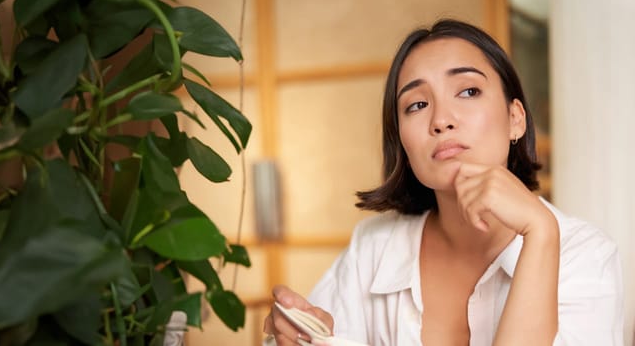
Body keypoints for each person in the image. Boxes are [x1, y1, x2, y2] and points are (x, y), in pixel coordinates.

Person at [263, 19, 624, 346]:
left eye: (468, 92)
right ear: (402, 142)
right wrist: (300, 336)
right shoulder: (372, 248)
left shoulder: (586, 257)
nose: (441, 120)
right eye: (417, 105)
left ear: (516, 119)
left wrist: (540, 232)